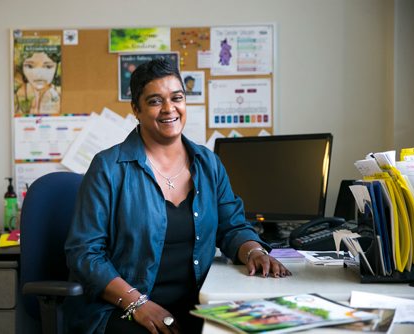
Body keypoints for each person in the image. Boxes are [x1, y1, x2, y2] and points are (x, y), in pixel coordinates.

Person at [64, 58, 291, 334]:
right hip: (123, 308)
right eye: (155, 101)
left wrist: (253, 251)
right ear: (136, 109)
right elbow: (85, 254)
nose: (169, 108)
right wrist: (138, 304)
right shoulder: (108, 168)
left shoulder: (208, 163)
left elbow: (232, 227)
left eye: (177, 98)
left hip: (198, 302)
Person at [14, 50, 61, 114]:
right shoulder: (19, 93)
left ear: (56, 67)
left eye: (48, 67)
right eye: (30, 66)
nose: (39, 74)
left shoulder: (60, 94)